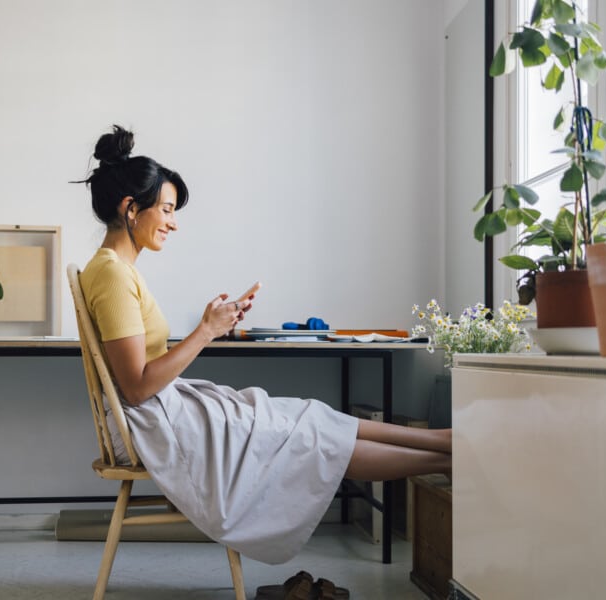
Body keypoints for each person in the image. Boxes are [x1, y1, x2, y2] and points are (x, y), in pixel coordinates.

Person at [75, 125, 451, 565]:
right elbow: (136, 388)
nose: (174, 222)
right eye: (167, 210)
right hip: (148, 423)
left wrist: (210, 324)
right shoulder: (113, 275)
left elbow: (140, 375)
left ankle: (445, 443)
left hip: (163, 410)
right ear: (131, 208)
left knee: (308, 416)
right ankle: (446, 458)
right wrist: (206, 332)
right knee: (308, 438)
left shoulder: (117, 270)